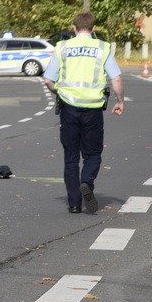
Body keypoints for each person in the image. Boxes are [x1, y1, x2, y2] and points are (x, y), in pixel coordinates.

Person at [43, 11, 125, 214]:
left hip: (68, 108)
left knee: (71, 157)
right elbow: (116, 79)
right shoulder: (102, 48)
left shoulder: (62, 47)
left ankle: (73, 204)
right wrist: (120, 101)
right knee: (93, 154)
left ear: (74, 27)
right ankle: (86, 181)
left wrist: (59, 92)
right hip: (93, 109)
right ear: (93, 28)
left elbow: (48, 80)